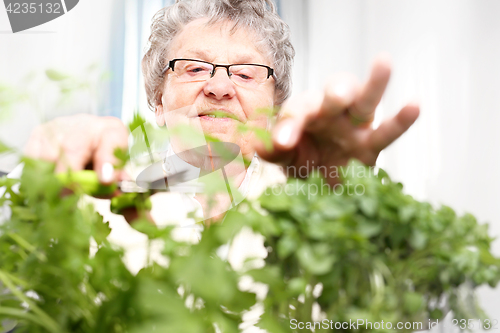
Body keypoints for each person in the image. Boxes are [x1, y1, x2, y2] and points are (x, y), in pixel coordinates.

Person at [24, 0, 419, 225]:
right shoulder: (101, 196)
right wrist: (37, 199)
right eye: (194, 68)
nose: (219, 86)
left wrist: (343, 195)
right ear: (158, 102)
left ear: (275, 109)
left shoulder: (312, 198)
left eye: (246, 73)